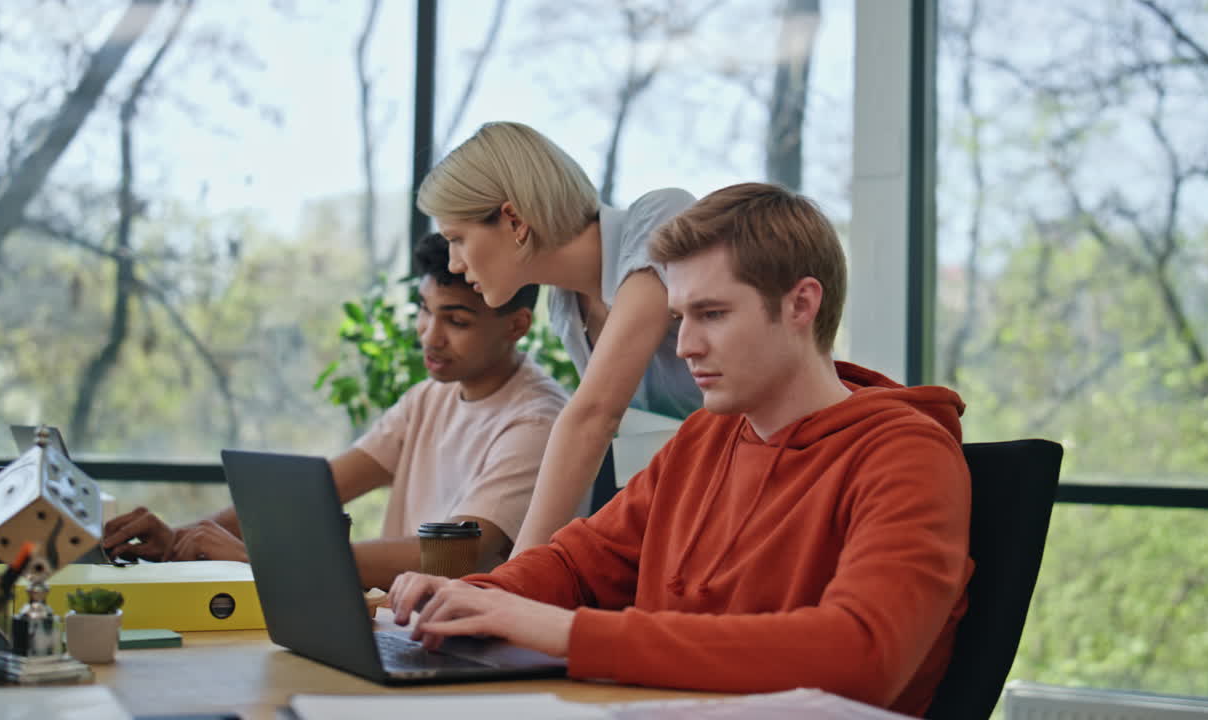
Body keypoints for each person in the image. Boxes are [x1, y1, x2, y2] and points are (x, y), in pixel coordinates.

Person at [388, 183, 974, 716]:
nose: (686, 346)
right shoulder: (702, 437)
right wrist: (473, 597)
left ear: (801, 305)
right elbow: (577, 563)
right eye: (680, 317)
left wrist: (567, 634)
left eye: (712, 314)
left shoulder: (908, 455)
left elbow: (861, 656)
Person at [102, 233, 570, 590]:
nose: (429, 335)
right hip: (407, 620)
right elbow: (319, 490)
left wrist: (265, 560)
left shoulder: (536, 421)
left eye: (457, 320)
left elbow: (458, 555)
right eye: (425, 311)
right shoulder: (429, 397)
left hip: (471, 636)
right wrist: (181, 539)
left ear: (517, 325)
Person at [417, 121, 703, 554]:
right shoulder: (566, 309)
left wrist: (515, 579)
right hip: (696, 506)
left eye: (457, 239)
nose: (454, 264)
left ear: (513, 219)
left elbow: (596, 415)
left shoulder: (661, 217)